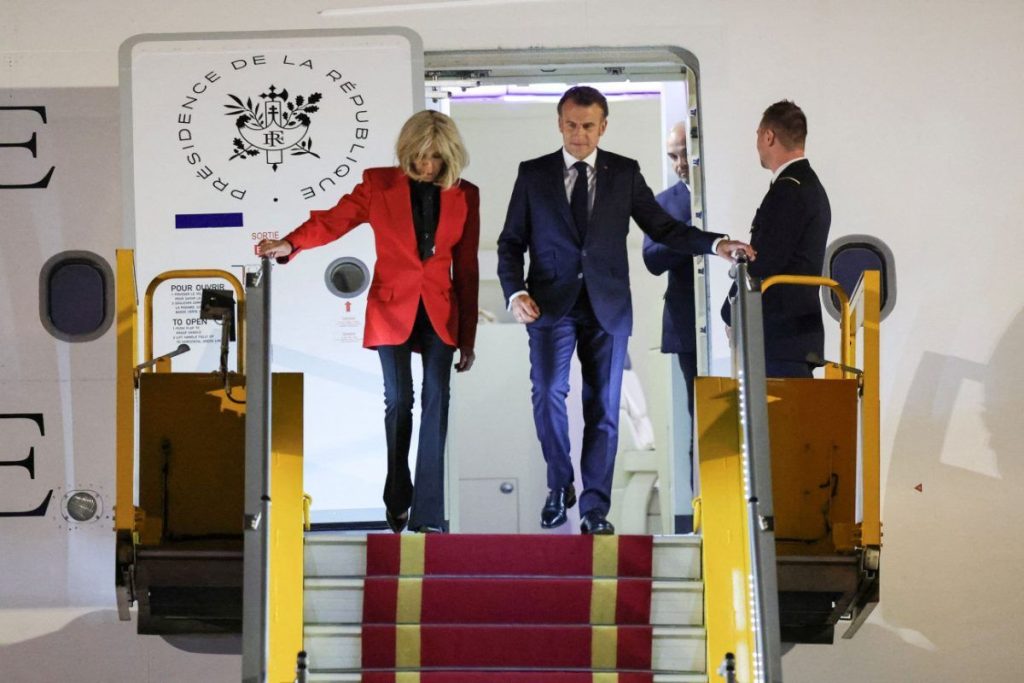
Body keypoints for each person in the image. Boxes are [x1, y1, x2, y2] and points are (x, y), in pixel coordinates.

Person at [497, 86, 754, 535]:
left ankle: (595, 509)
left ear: (603, 127)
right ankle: (560, 484)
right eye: (571, 125)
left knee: (604, 406)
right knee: (547, 392)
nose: (579, 134)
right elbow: (510, 243)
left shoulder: (624, 172)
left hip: (608, 307)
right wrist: (515, 292)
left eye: (588, 126)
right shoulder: (533, 173)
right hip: (549, 306)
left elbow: (664, 228)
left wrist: (715, 244)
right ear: (559, 123)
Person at [258, 110, 479, 534]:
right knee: (399, 399)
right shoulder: (379, 184)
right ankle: (397, 493)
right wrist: (290, 243)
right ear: (407, 151)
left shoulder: (466, 194)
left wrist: (467, 337)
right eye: (419, 156)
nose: (426, 165)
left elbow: (467, 269)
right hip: (391, 307)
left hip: (440, 310)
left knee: (437, 400)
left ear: (449, 155)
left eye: (435, 157)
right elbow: (334, 220)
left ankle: (429, 514)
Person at [721, 100, 831, 378]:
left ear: (768, 136)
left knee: (773, 408)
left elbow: (765, 259)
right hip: (794, 335)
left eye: (758, 134)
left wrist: (730, 311)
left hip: (780, 335)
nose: (757, 143)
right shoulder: (807, 184)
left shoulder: (788, 190)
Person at [641, 122, 699, 525]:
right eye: (672, 156)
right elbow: (651, 259)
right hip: (688, 325)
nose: (679, 164)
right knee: (699, 420)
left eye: (683, 154)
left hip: (734, 322)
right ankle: (699, 511)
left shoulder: (728, 191)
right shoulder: (663, 204)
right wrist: (693, 237)